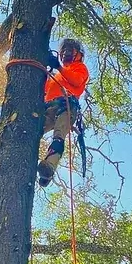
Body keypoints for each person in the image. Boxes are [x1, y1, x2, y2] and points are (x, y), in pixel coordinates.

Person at [38, 38, 89, 187]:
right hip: (48, 108)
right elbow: (44, 89)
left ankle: (49, 166)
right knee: (35, 131)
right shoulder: (56, 75)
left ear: (77, 53)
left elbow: (76, 81)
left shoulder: (80, 68)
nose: (66, 52)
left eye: (70, 50)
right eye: (64, 50)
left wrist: (59, 67)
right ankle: (43, 175)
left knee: (59, 135)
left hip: (67, 106)